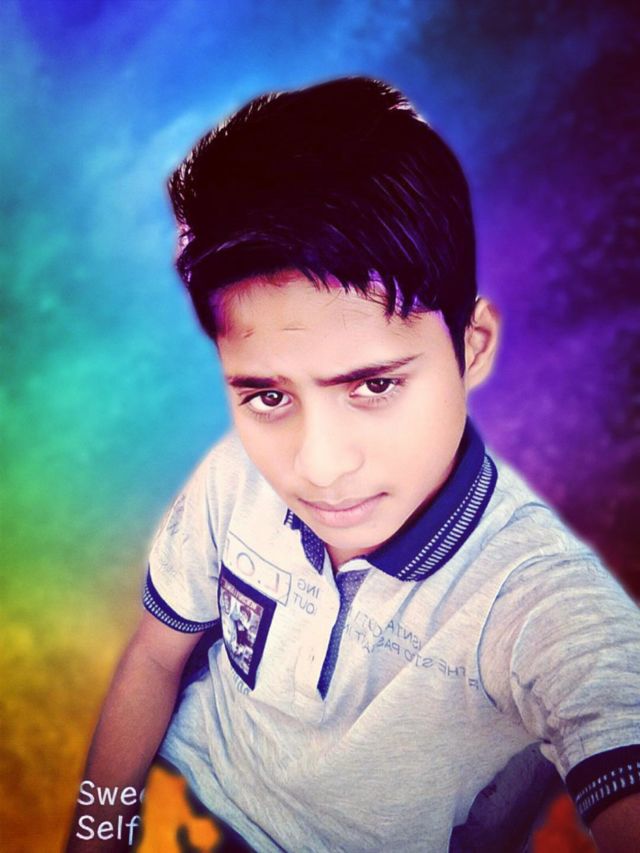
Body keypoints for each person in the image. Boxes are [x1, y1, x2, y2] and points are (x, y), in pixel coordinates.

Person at [66, 76, 640, 852]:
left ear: (471, 347)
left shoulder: (536, 599)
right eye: (269, 395)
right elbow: (154, 657)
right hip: (184, 794)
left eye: (374, 385)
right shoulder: (233, 476)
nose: (320, 465)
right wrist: (96, 834)